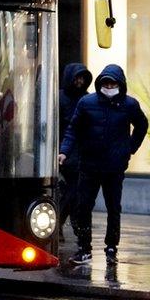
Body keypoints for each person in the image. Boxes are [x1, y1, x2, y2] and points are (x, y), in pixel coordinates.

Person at [60, 65, 148, 266]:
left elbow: (142, 126)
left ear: (120, 84)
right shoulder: (87, 103)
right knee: (84, 207)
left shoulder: (129, 105)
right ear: (100, 83)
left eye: (113, 83)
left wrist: (130, 148)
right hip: (90, 164)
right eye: (106, 83)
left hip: (114, 166)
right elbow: (73, 129)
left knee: (113, 208)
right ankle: (84, 248)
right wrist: (64, 151)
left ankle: (111, 247)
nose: (109, 86)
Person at [58, 63, 93, 239]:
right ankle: (65, 222)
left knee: (76, 191)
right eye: (77, 78)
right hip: (66, 151)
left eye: (82, 78)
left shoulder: (86, 99)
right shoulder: (60, 98)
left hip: (82, 151)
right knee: (74, 189)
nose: (79, 81)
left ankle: (66, 222)